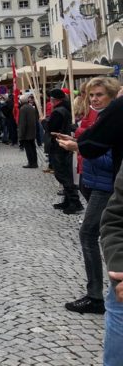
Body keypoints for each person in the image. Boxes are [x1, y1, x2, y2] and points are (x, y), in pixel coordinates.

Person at [54, 77, 119, 318]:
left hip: (106, 188)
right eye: (91, 95)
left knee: (89, 235)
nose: (94, 99)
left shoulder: (113, 121)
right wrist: (77, 141)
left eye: (99, 95)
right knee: (104, 237)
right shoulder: (101, 118)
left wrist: (79, 148)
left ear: (112, 97)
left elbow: (111, 161)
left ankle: (95, 297)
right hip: (94, 185)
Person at [47, 89, 83, 214]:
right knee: (65, 172)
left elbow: (51, 129)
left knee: (62, 174)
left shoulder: (58, 111)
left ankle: (75, 202)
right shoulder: (66, 108)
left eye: (51, 99)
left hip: (60, 144)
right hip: (64, 143)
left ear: (55, 100)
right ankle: (68, 200)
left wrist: (43, 121)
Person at [18, 94, 39, 168]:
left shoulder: (23, 109)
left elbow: (22, 123)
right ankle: (35, 162)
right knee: (33, 148)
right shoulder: (31, 107)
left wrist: (21, 135)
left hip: (27, 133)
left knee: (29, 149)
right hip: (32, 131)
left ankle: (31, 163)